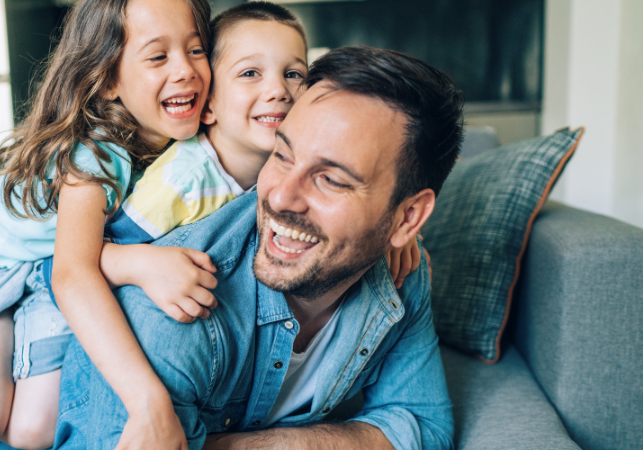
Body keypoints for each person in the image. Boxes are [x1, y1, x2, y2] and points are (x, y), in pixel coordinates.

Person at [50, 45, 464, 450]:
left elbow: (423, 425)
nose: (280, 196)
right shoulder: (173, 315)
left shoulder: (400, 269)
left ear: (407, 219)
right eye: (281, 155)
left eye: (331, 179)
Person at [0, 0, 219, 449]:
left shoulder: (180, 146)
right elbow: (73, 271)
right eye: (157, 56)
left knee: (29, 431)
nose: (186, 69)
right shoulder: (96, 158)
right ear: (108, 79)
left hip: (39, 271)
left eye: (196, 49)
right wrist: (147, 399)